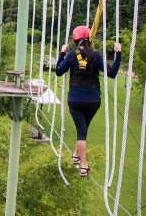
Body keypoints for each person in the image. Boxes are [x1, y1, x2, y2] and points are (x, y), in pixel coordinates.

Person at [55, 25, 121, 177]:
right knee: (83, 129)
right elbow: (112, 73)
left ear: (75, 39)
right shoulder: (96, 56)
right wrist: (118, 54)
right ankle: (76, 155)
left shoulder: (72, 55)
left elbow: (58, 71)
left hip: (75, 99)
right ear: (90, 39)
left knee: (81, 132)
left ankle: (83, 164)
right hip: (93, 100)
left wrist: (62, 53)